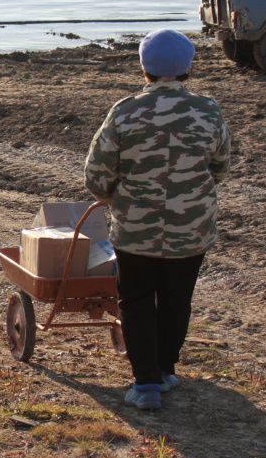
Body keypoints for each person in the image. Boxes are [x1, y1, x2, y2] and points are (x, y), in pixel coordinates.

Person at [84, 29, 231, 411]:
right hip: (192, 228)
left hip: (135, 229)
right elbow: (221, 165)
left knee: (134, 299)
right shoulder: (208, 110)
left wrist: (112, 196)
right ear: (187, 68)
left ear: (144, 69)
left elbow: (97, 174)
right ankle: (165, 370)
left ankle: (146, 383)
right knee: (177, 299)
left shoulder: (125, 111)